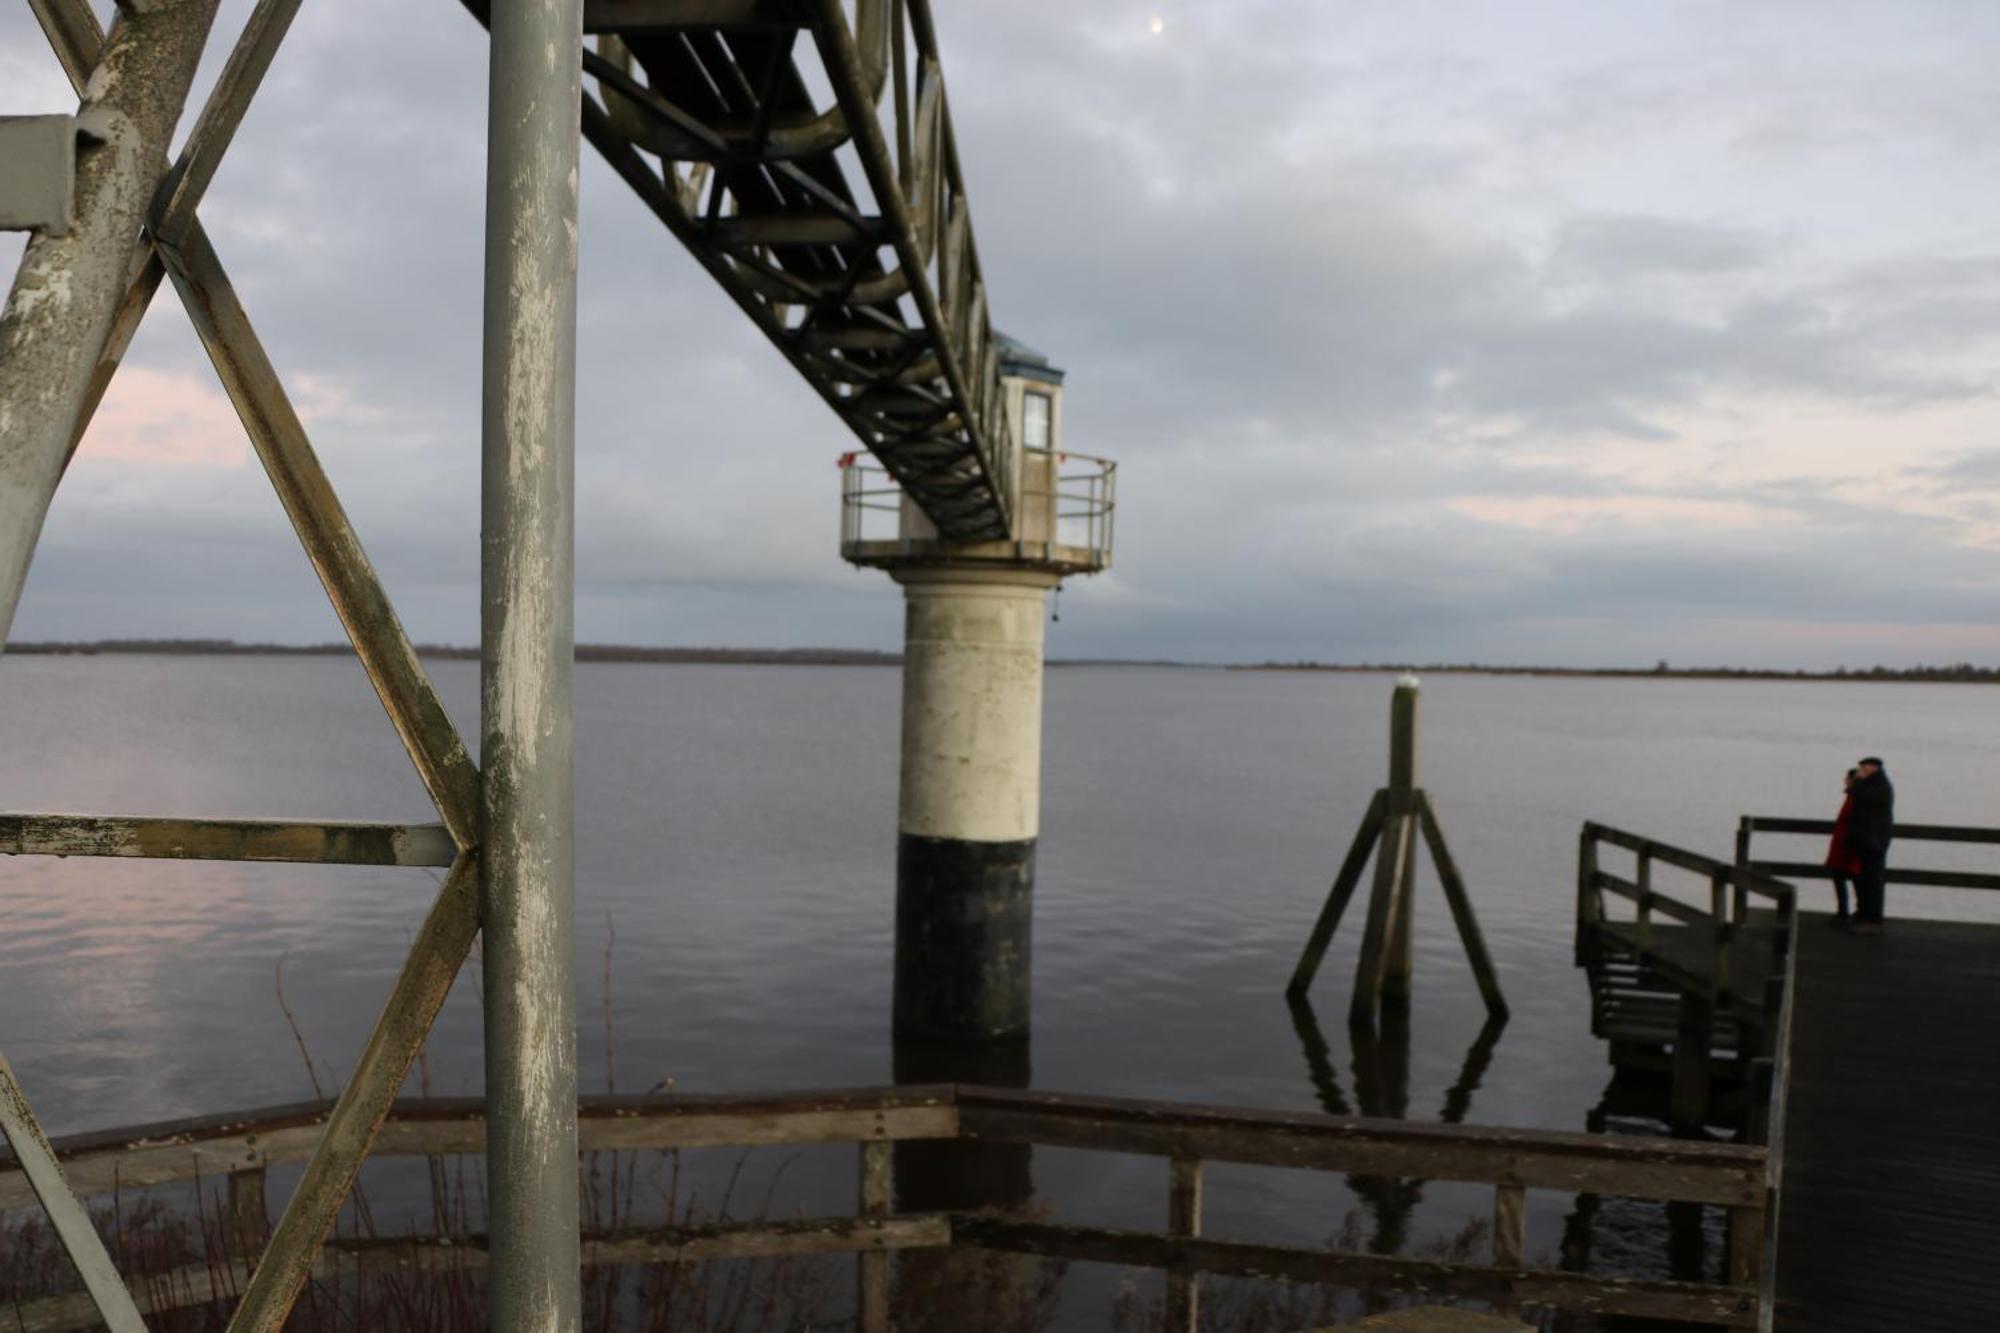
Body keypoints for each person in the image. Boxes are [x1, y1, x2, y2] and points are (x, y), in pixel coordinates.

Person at [1844, 756, 1895, 935]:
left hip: (1874, 841)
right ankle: (1864, 913)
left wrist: (1857, 780)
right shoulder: (1873, 784)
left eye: (1864, 767)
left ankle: (1873, 917)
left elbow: (1860, 795)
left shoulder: (1880, 786)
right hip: (1865, 840)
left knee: (1873, 880)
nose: (1861, 770)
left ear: (1874, 767)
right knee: (1864, 879)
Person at [1823, 768, 1863, 924]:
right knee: (1843, 877)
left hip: (1847, 845)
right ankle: (1845, 911)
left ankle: (1846, 912)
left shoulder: (1855, 798)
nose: (1845, 780)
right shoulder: (1852, 797)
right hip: (1842, 844)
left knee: (1849, 877)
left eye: (1848, 778)